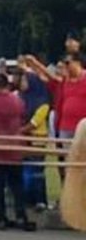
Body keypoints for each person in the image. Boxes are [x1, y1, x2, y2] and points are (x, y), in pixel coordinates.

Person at [21, 52, 86, 190]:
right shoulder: (65, 82)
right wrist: (35, 64)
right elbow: (50, 78)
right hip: (65, 128)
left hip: (82, 128)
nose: (66, 67)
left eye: (68, 63)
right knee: (69, 163)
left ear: (78, 63)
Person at [0, 72, 35, 231]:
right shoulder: (18, 101)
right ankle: (20, 215)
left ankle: (1, 217)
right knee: (17, 185)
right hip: (14, 146)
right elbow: (23, 117)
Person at [18, 67, 52, 211]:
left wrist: (18, 131)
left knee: (36, 171)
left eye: (25, 80)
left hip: (36, 141)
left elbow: (35, 122)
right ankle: (26, 200)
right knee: (24, 170)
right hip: (22, 140)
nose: (22, 83)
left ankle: (40, 200)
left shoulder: (43, 102)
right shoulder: (20, 98)